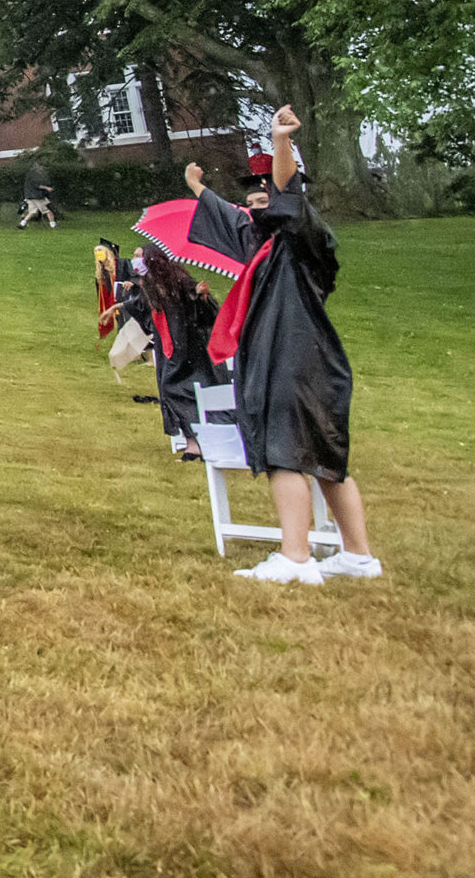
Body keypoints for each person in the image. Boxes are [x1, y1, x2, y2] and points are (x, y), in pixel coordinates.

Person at [187, 112, 376, 584]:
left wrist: (279, 142)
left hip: (294, 359)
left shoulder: (304, 239)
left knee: (285, 452)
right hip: (302, 359)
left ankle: (295, 558)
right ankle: (358, 556)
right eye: (254, 202)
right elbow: (235, 224)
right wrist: (198, 190)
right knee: (328, 458)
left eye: (266, 198)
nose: (258, 205)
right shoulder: (266, 245)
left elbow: (288, 196)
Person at [140, 251, 218, 459]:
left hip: (189, 349)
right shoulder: (149, 284)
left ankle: (198, 442)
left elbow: (204, 316)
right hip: (169, 348)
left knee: (184, 390)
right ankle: (191, 440)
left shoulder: (180, 281)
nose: (136, 261)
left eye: (140, 257)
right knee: (170, 390)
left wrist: (201, 297)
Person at [19, 158, 59, 229]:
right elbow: (37, 185)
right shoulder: (34, 175)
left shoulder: (30, 174)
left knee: (32, 211)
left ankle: (22, 224)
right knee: (48, 211)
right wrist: (47, 188)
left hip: (30, 196)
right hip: (36, 197)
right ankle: (53, 225)